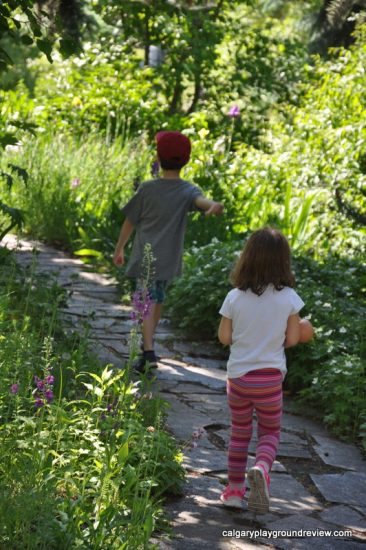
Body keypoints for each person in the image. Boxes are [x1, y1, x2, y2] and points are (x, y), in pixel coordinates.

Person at [218, 227, 313, 513]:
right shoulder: (289, 298)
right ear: (283, 261)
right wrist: (302, 328)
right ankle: (261, 467)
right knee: (270, 433)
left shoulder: (234, 297)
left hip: (238, 379)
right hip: (269, 380)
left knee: (239, 433)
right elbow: (294, 339)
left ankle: (234, 491)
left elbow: (225, 338)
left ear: (247, 258)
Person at [113, 130, 224, 371]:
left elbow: (130, 220)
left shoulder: (148, 188)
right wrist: (213, 205)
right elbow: (201, 202)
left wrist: (120, 248)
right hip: (168, 261)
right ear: (186, 160)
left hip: (146, 258)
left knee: (146, 303)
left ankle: (149, 351)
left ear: (158, 157)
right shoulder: (187, 190)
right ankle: (149, 348)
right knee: (156, 301)